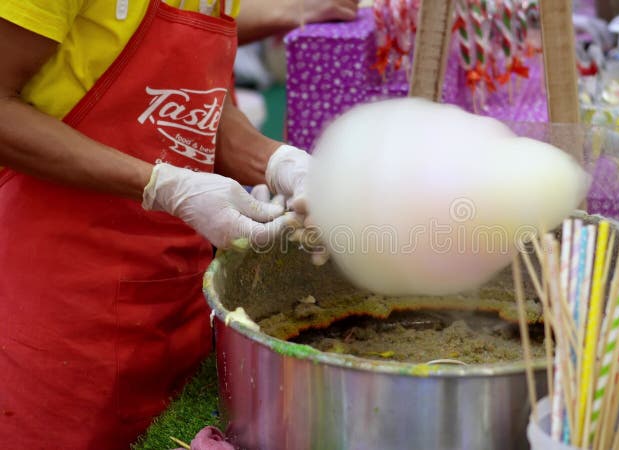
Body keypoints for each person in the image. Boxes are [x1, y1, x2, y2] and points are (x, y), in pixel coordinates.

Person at [0, 0, 356, 448]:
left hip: (171, 304)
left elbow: (201, 108)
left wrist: (277, 161)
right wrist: (161, 184)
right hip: (60, 313)